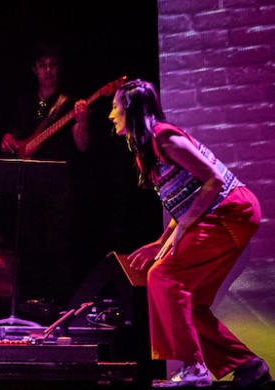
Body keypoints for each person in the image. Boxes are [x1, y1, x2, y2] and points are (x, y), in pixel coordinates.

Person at [111, 79, 270, 388]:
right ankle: (249, 366)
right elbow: (185, 200)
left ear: (130, 109)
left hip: (232, 212)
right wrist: (160, 241)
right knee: (190, 301)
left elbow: (211, 181)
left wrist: (184, 227)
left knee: (164, 276)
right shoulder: (148, 149)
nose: (111, 114)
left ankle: (195, 369)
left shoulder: (164, 139)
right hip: (222, 214)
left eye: (115, 107)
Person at [0, 41, 90, 312]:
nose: (48, 70)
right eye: (42, 65)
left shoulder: (69, 103)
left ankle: (62, 305)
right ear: (34, 69)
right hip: (28, 182)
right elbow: (15, 139)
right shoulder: (23, 103)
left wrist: (82, 122)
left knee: (58, 245)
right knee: (28, 243)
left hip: (59, 184)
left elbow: (82, 145)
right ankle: (30, 304)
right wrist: (7, 139)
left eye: (52, 65)